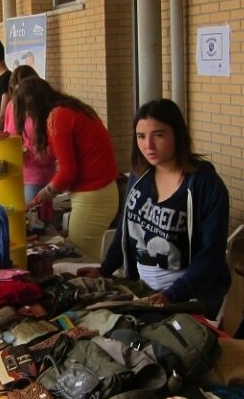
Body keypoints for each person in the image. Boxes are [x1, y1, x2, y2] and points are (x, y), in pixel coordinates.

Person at [82, 99, 231, 319]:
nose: (148, 146)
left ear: (177, 134)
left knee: (160, 351)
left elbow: (211, 254)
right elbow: (125, 231)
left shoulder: (205, 184)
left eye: (158, 135)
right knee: (128, 345)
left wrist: (173, 295)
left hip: (186, 299)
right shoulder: (139, 175)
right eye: (141, 136)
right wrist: (104, 269)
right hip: (142, 292)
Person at [14, 77, 119, 260]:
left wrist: (40, 197)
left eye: (28, 113)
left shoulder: (58, 116)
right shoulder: (69, 109)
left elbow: (68, 171)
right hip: (101, 193)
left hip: (93, 197)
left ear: (32, 107)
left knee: (79, 258)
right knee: (86, 255)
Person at [3, 65, 54, 203]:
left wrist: (32, 152)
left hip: (39, 175)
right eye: (16, 91)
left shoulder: (45, 109)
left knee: (35, 219)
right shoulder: (11, 106)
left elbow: (54, 148)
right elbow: (8, 135)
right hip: (16, 174)